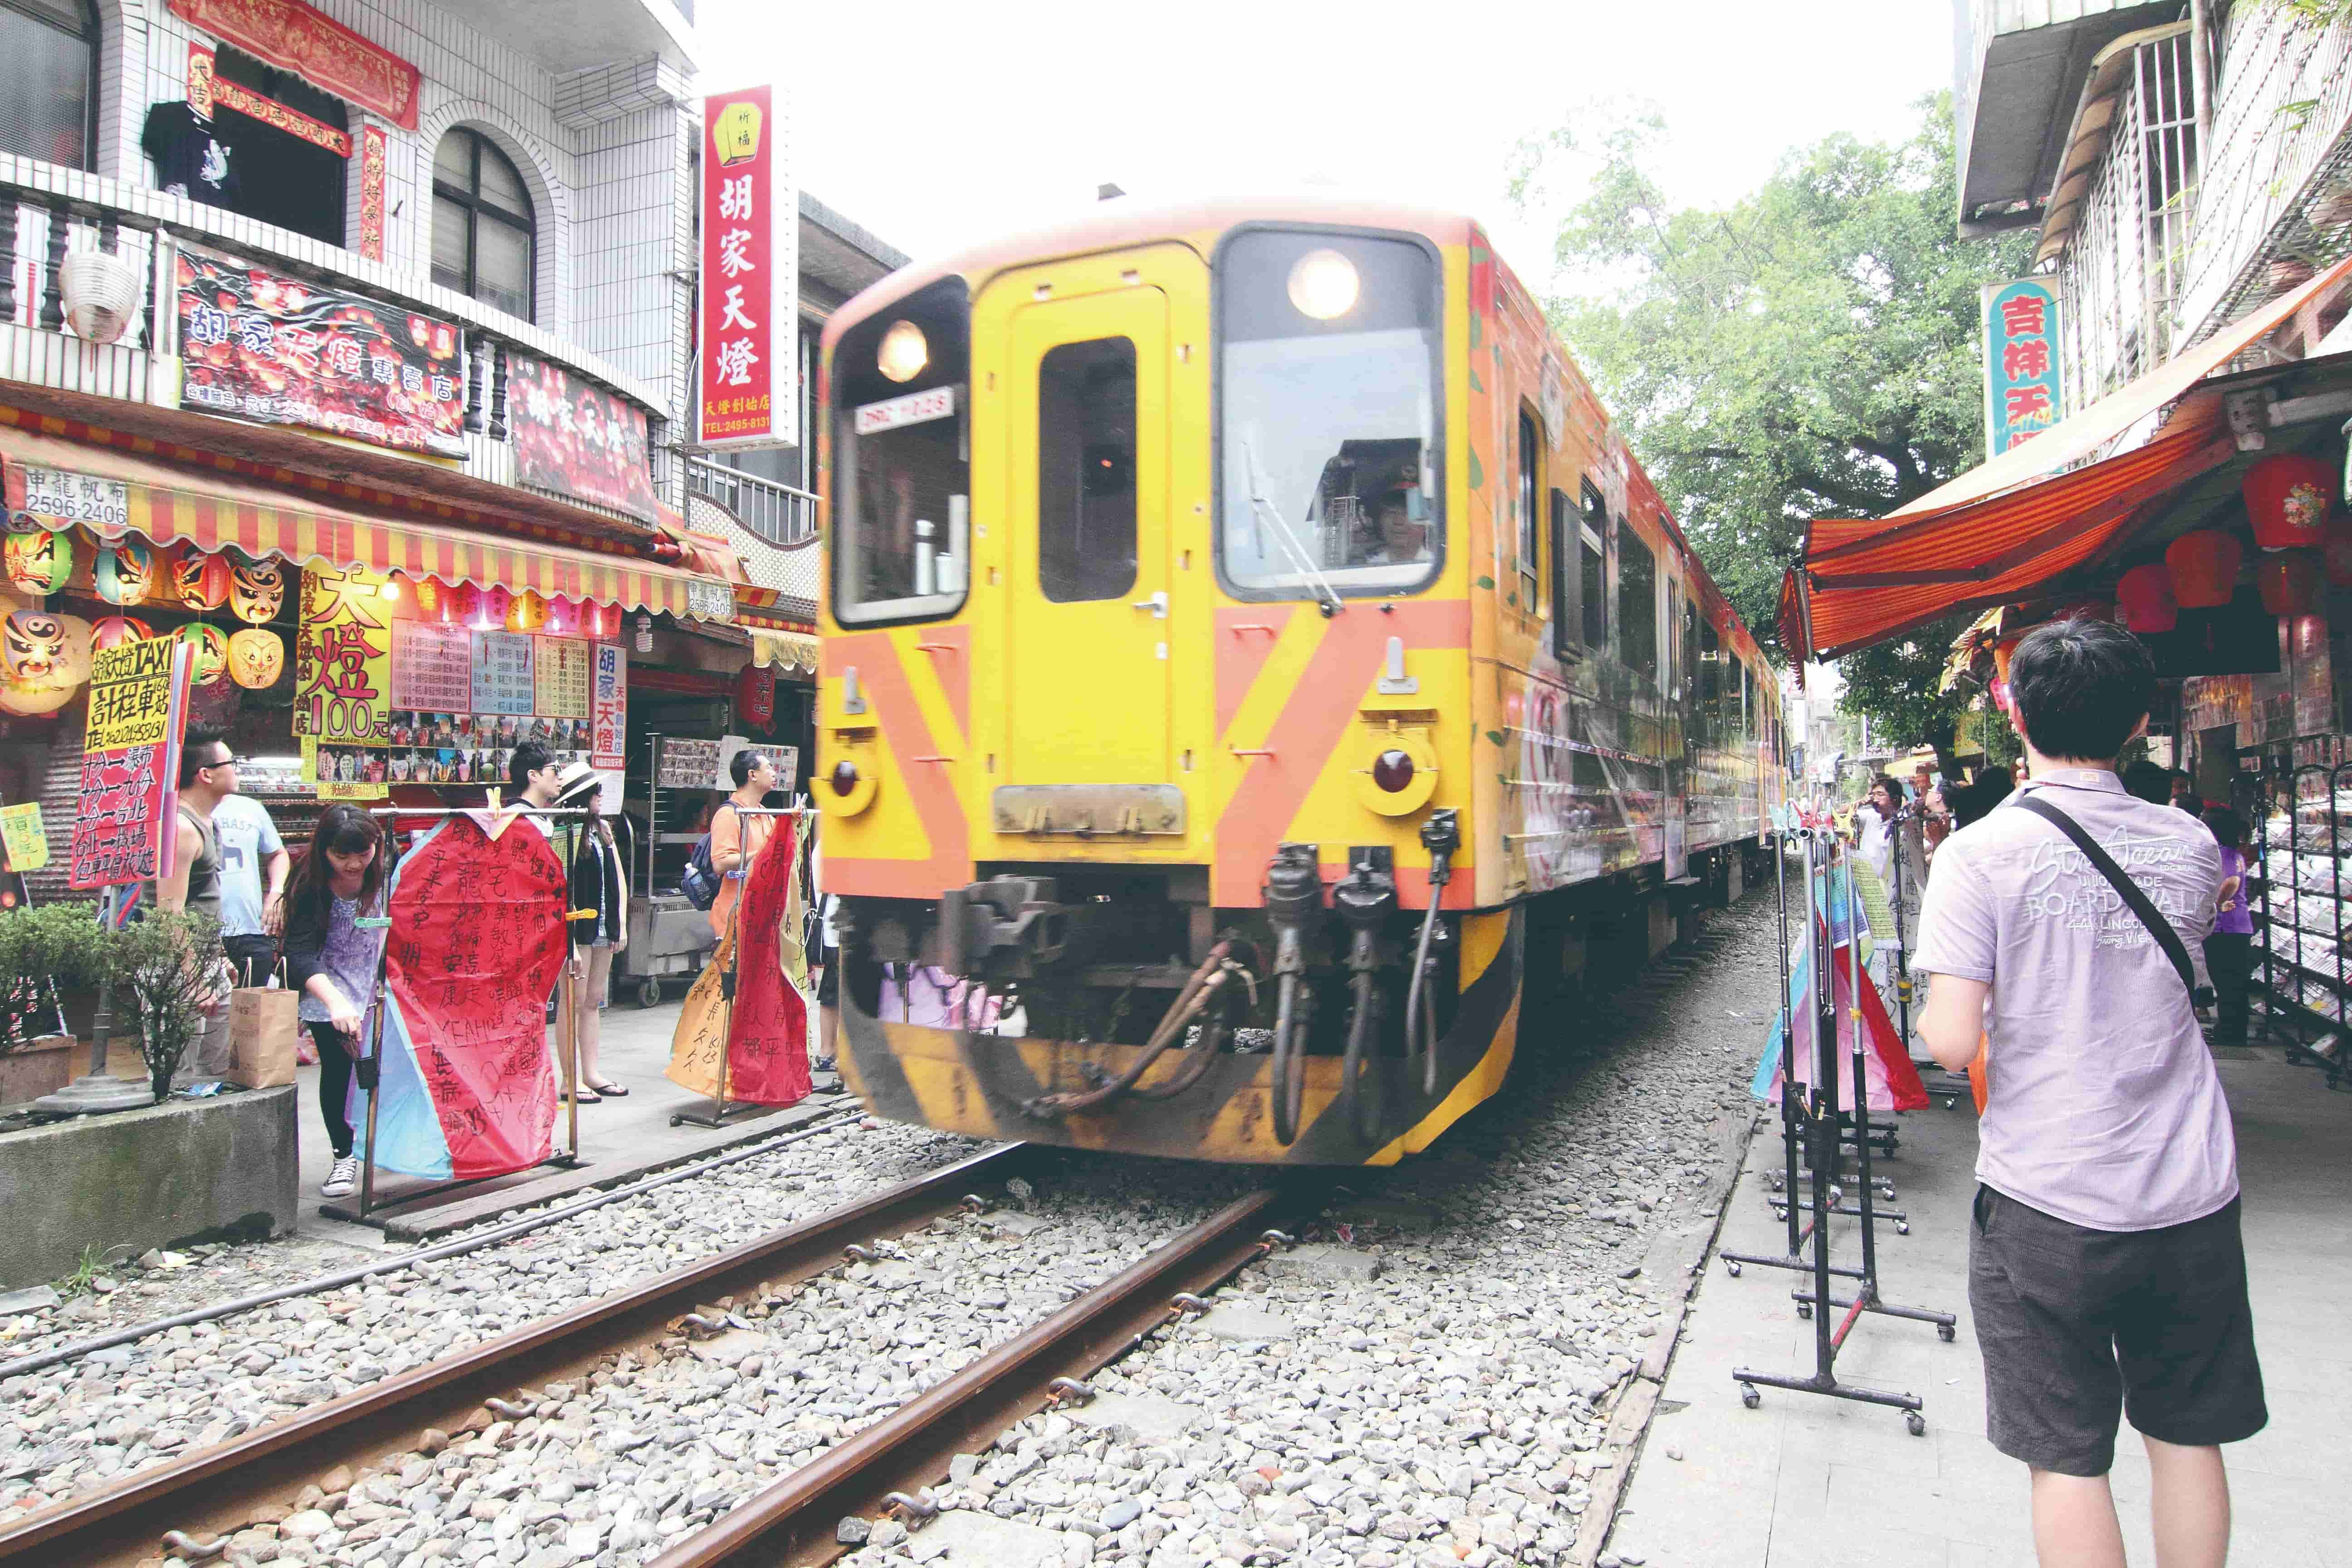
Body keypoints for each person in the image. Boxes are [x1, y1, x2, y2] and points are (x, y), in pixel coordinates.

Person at [1912, 617, 2261, 1568]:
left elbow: (1947, 1041)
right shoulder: (2189, 844)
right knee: (2187, 1433)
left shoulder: (1976, 856)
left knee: (2066, 1457)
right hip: (2189, 1187)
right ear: (2143, 720)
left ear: (2011, 712)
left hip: (2048, 1196)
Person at [281, 805, 389, 1201]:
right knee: (340, 1070)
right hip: (327, 988)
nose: (353, 864)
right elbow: (300, 954)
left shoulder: (384, 876)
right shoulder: (309, 885)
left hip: (376, 986)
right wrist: (335, 1004)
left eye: (362, 854)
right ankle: (344, 1154)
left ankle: (387, 1144)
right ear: (324, 850)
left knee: (384, 1069)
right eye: (341, 855)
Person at [157, 726, 238, 1084]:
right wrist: (192, 979)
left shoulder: (207, 823)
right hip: (180, 968)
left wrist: (218, 955)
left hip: (205, 964)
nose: (237, 770)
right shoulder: (181, 827)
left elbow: (203, 899)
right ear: (206, 774)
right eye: (231, 763)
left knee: (214, 1073)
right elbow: (169, 911)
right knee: (178, 1077)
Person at [553, 761, 629, 1102]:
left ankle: (591, 1072)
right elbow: (560, 888)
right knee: (573, 999)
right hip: (576, 928)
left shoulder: (603, 831)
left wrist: (621, 922)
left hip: (602, 925)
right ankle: (570, 1078)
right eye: (596, 791)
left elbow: (618, 878)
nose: (601, 796)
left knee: (593, 999)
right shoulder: (564, 832)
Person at [211, 790, 289, 987]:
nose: (233, 769)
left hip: (251, 930)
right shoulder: (181, 810)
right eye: (228, 763)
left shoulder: (251, 808)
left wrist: (276, 893)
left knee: (252, 1012)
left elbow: (277, 854)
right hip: (203, 935)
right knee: (209, 1013)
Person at [710, 748, 779, 941]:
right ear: (752, 775)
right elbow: (721, 862)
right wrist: (762, 853)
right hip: (735, 917)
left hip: (762, 916)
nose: (774, 773)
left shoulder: (765, 814)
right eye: (768, 768)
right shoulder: (729, 814)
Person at [2203, 805, 2255, 1049]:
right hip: (2238, 928)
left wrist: (2216, 904)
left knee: (2227, 983)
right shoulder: (2234, 853)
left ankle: (2232, 1033)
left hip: (2228, 928)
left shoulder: (2224, 854)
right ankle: (2231, 1029)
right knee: (2232, 983)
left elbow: (2231, 882)